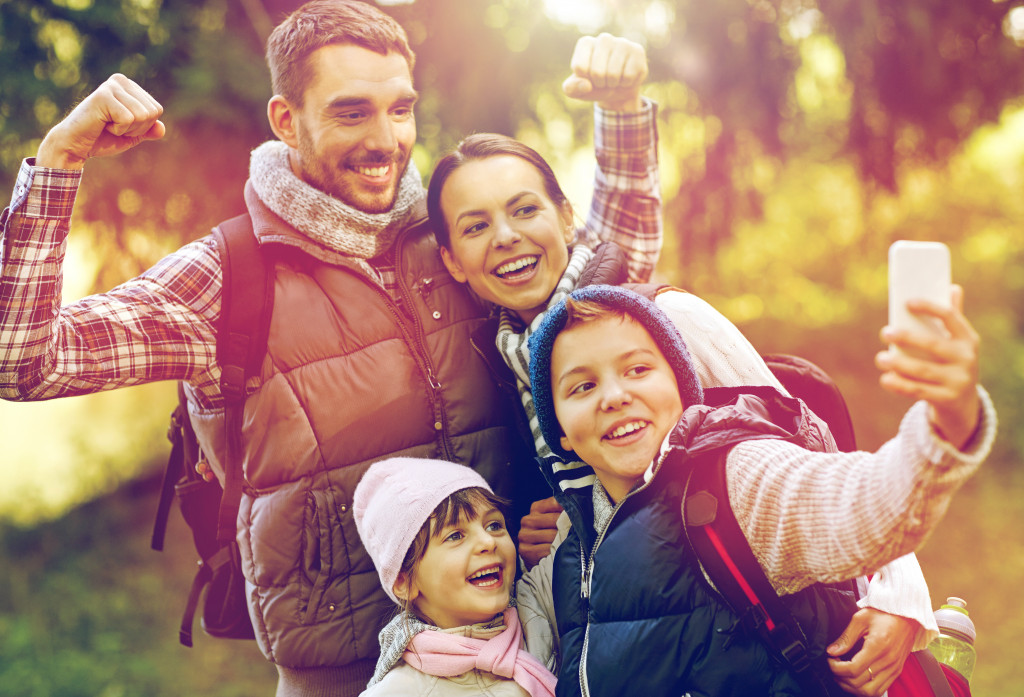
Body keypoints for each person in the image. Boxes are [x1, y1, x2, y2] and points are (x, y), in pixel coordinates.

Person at [0, 2, 656, 694]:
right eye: (351, 113)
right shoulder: (229, 277)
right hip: (342, 672)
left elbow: (608, 284)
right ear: (286, 121)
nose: (386, 139)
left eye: (399, 110)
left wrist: (619, 111)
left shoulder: (454, 241)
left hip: (519, 637)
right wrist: (61, 159)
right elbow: (23, 359)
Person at [426, 131, 943, 695]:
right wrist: (553, 539)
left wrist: (901, 600)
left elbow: (810, 448)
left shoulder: (664, 317)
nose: (505, 237)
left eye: (524, 209)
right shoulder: (509, 370)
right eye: (475, 226)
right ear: (452, 259)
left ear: (566, 217)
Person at [517, 283, 995, 697]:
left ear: (683, 387)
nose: (614, 396)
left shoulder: (731, 478)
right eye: (582, 387)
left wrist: (946, 427)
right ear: (560, 432)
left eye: (638, 369)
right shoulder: (571, 551)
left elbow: (862, 505)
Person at [352, 456, 557, 696]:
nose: (488, 541)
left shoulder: (537, 605)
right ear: (404, 581)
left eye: (494, 525)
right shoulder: (397, 691)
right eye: (456, 535)